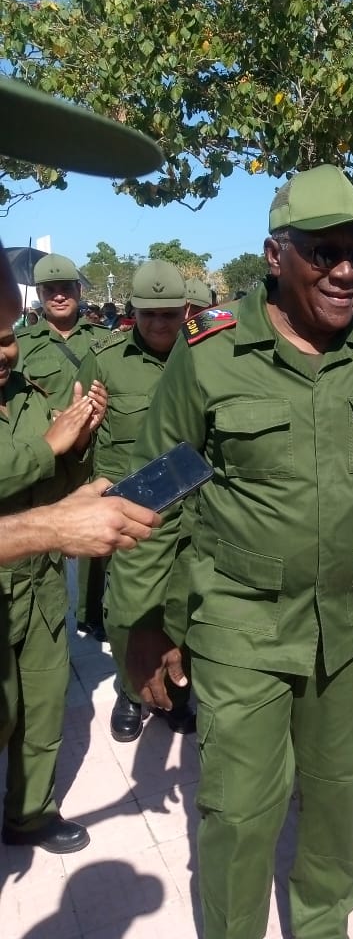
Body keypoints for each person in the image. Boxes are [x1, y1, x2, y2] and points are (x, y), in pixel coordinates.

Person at [107, 164, 353, 939]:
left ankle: (322, 926)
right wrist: (139, 627)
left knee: (336, 799)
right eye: (323, 251)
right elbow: (151, 502)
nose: (345, 270)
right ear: (277, 257)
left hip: (348, 625)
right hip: (240, 623)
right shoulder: (209, 360)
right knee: (239, 811)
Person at [0, 76, 162, 573]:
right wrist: (49, 523)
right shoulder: (26, 347)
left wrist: (55, 516)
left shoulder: (101, 344)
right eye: (47, 290)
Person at [77, 261, 195, 742]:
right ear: (134, 313)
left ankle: (176, 692)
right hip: (131, 512)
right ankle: (131, 692)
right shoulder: (106, 361)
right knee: (127, 611)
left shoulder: (208, 358)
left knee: (183, 608)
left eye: (169, 314)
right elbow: (75, 438)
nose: (160, 324)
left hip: (193, 511)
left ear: (185, 311)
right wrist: (87, 425)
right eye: (149, 315)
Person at [0, 323, 105, 854]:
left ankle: (30, 815)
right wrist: (47, 447)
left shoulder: (27, 392)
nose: (3, 353)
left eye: (4, 338)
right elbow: (39, 457)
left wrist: (80, 440)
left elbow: (58, 483)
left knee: (43, 706)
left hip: (38, 583)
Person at [16, 253, 110, 412]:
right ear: (39, 294)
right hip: (46, 435)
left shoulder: (106, 338)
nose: (59, 297)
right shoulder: (19, 345)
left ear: (79, 290)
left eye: (66, 288)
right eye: (49, 290)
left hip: (98, 435)